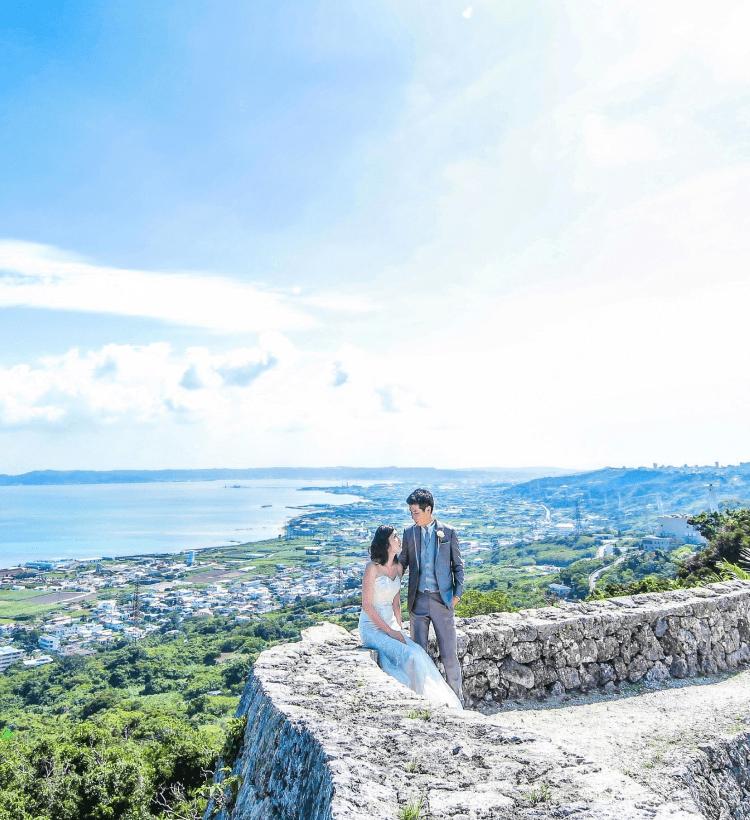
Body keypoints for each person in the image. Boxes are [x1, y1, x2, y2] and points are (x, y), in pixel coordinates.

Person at [358, 524, 462, 709]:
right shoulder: (372, 568)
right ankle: (416, 702)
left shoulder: (398, 567)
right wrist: (390, 631)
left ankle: (431, 701)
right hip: (371, 628)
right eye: (395, 537)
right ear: (385, 543)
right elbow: (366, 605)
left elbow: (395, 602)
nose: (400, 540)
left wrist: (398, 627)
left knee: (419, 653)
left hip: (391, 626)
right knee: (408, 655)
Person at [398, 488, 464, 703]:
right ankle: (423, 701)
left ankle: (458, 702)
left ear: (428, 510)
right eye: (411, 512)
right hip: (417, 601)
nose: (412, 516)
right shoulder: (409, 533)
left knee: (449, 656)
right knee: (419, 656)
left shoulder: (449, 532)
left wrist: (456, 596)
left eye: (415, 512)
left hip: (442, 600)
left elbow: (458, 566)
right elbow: (402, 563)